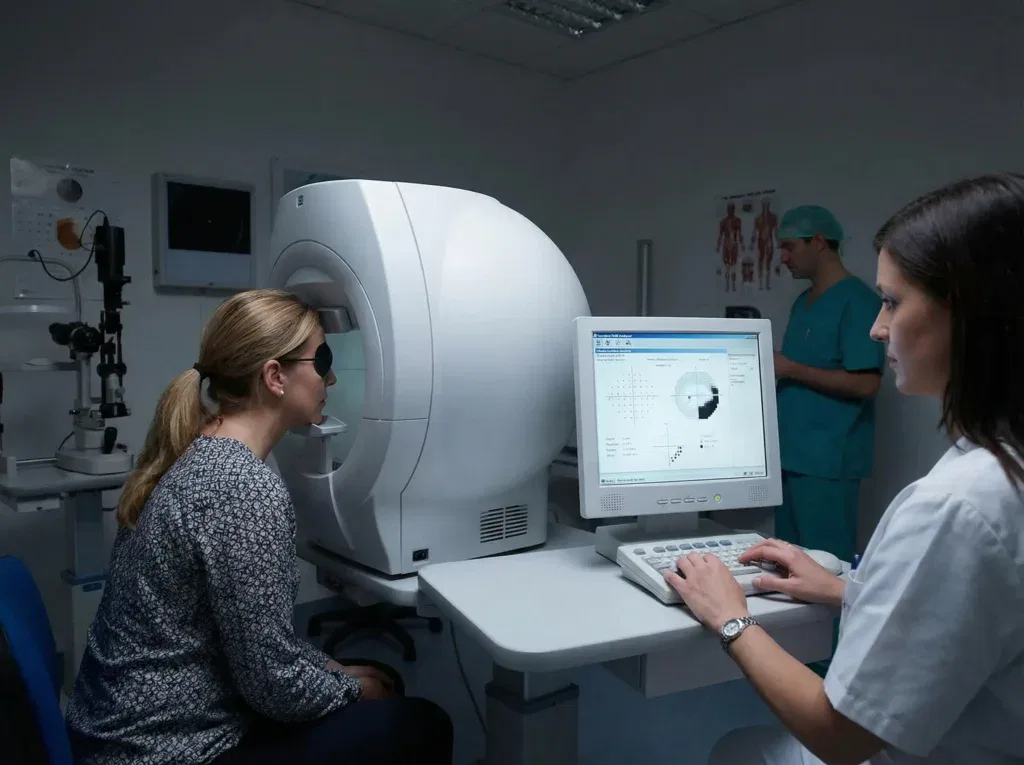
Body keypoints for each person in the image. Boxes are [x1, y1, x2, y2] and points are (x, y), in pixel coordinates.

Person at [664, 173, 1024, 765]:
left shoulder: (957, 506)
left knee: (734, 749)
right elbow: (973, 605)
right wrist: (846, 589)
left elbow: (843, 738)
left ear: (970, 312)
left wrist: (728, 617)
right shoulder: (999, 467)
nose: (878, 328)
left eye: (892, 302)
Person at [64, 289, 454, 765]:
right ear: (275, 377)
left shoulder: (195, 452)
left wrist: (329, 669)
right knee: (421, 722)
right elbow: (273, 687)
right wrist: (348, 689)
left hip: (124, 728)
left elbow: (250, 641)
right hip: (165, 750)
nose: (330, 376)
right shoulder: (243, 488)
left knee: (371, 676)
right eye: (322, 360)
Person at [774, 205, 885, 564]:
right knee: (784, 566)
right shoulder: (802, 303)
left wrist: (790, 368)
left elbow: (867, 384)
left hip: (828, 464)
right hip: (791, 457)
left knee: (826, 569)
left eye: (790, 247)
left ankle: (841, 626)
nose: (784, 257)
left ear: (819, 242)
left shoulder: (860, 302)